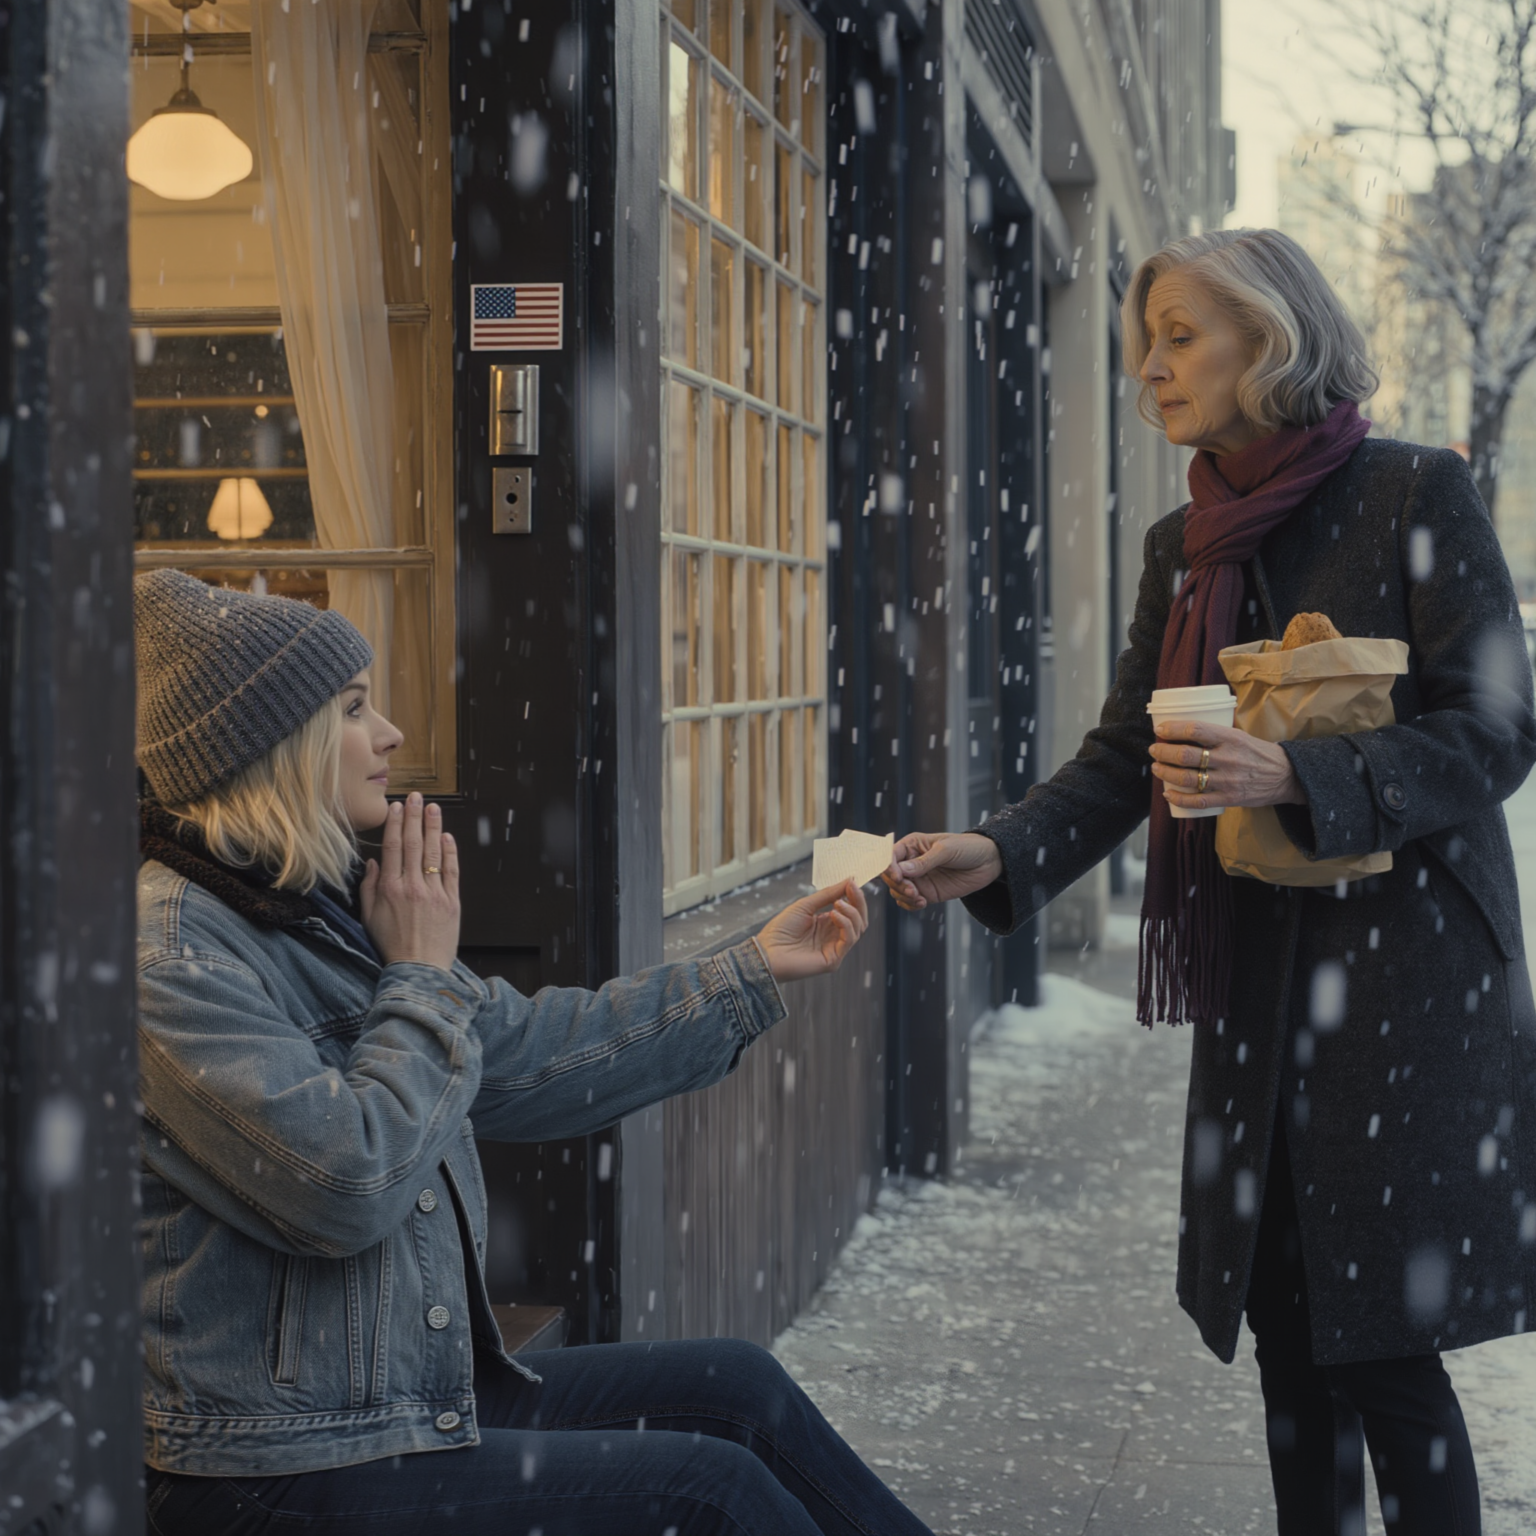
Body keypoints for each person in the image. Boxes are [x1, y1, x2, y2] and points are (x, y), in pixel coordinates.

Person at [882, 228, 1536, 1536]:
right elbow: (1135, 749)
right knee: (1289, 1329)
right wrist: (1004, 849)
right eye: (1146, 339)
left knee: (1386, 1353)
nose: (1151, 366)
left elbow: (1498, 729)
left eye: (1183, 335)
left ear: (1272, 340)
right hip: (1256, 977)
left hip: (1403, 988)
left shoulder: (1415, 495)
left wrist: (1302, 775)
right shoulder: (1187, 541)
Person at [134, 567, 929, 1536]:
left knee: (739, 1390)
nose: (388, 734)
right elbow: (345, 1183)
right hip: (271, 1465)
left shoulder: (312, 910)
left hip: (397, 1406)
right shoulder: (175, 953)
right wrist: (418, 977)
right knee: (709, 1498)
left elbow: (528, 1056)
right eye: (352, 709)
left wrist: (752, 970)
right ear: (275, 751)